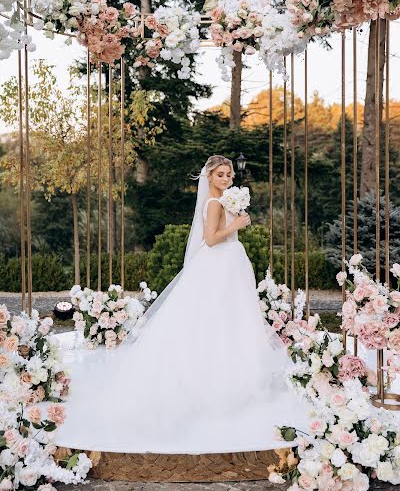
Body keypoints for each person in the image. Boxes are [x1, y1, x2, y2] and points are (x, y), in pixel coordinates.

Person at [56, 155, 310, 454]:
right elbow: (212, 239)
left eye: (229, 175)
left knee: (230, 318)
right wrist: (237, 224)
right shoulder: (214, 204)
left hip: (230, 265)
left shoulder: (224, 201)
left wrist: (236, 217)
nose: (227, 179)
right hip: (219, 262)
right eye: (221, 175)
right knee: (217, 319)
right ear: (209, 178)